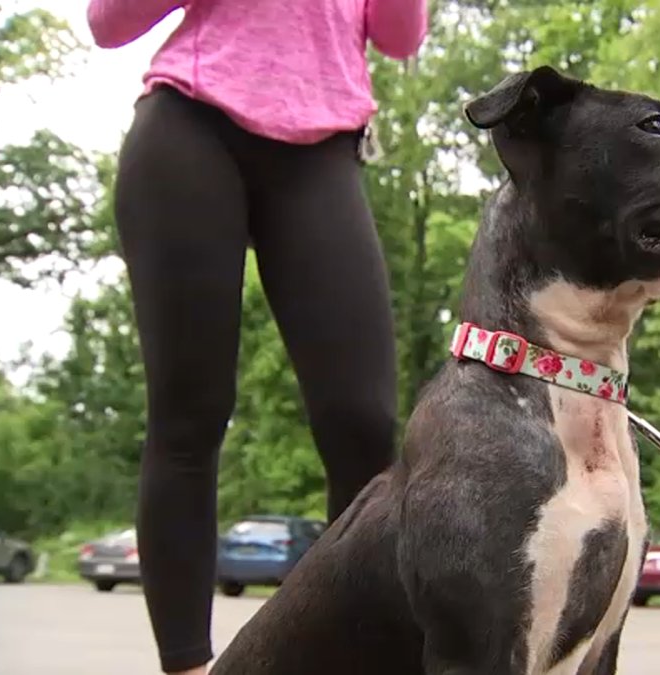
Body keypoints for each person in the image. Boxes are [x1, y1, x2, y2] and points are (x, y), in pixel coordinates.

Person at [85, 1, 428, 673]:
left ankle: (347, 656)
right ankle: (188, 664)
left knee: (363, 421)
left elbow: (399, 36)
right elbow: (108, 24)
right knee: (190, 414)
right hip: (190, 125)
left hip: (322, 148)